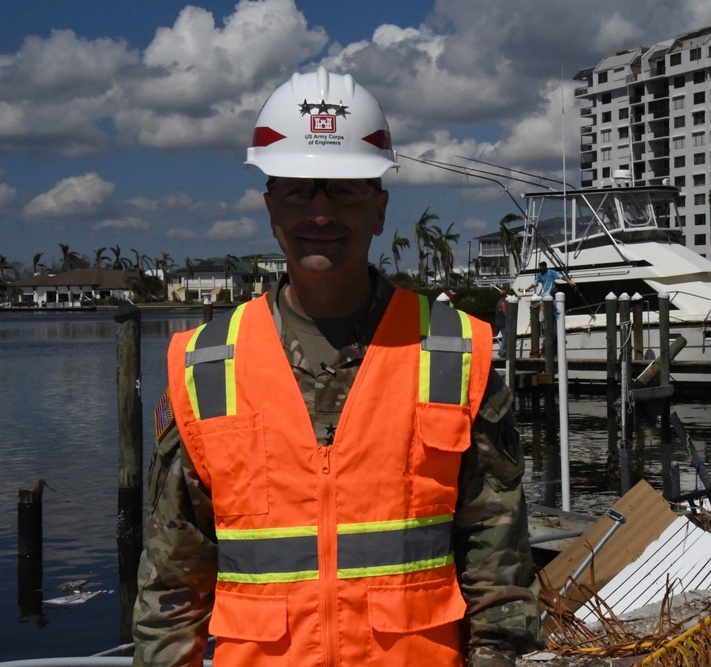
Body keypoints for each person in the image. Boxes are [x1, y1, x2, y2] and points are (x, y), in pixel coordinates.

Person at [132, 67, 541, 667]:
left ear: (379, 208)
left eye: (344, 188)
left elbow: (500, 582)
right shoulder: (205, 367)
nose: (320, 212)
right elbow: (171, 592)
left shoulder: (454, 354)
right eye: (299, 188)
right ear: (272, 207)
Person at [494, 288, 508, 358]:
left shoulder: (499, 301)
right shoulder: (503, 302)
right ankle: (502, 351)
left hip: (499, 322)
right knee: (505, 337)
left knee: (504, 336)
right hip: (503, 322)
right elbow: (505, 312)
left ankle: (501, 350)